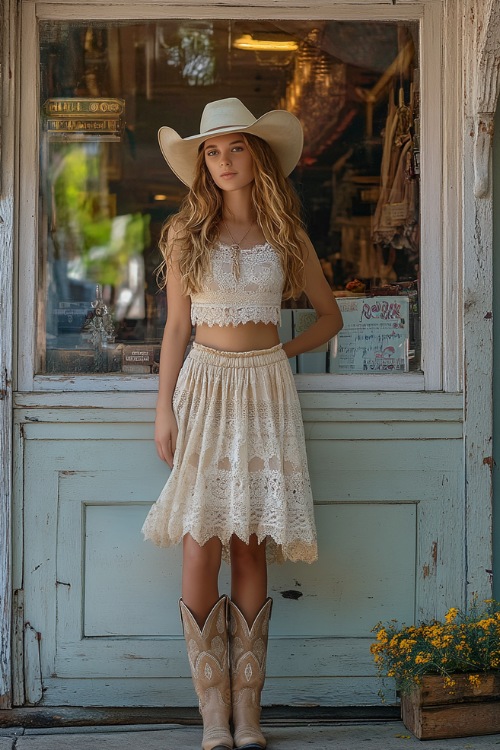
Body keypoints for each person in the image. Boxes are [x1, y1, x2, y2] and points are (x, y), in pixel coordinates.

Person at [142, 98, 343, 750]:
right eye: (212, 150)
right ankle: (211, 714)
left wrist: (277, 355)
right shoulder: (183, 234)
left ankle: (249, 713)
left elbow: (328, 318)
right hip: (202, 386)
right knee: (202, 539)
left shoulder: (287, 235)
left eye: (236, 147)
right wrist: (162, 407)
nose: (225, 160)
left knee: (251, 540)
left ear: (256, 155)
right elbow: (176, 327)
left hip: (264, 390)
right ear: (202, 161)